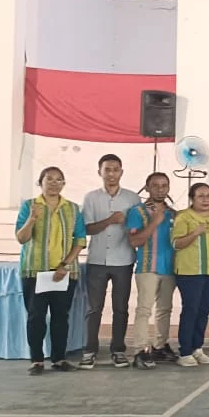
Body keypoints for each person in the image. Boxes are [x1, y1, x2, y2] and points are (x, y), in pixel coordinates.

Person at [15, 167, 87, 374]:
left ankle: (59, 358)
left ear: (63, 184)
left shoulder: (72, 208)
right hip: (35, 271)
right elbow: (21, 238)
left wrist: (65, 265)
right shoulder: (29, 206)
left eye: (59, 180)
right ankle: (37, 360)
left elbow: (80, 239)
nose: (54, 183)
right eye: (49, 179)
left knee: (60, 317)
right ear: (40, 182)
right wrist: (32, 219)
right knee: (36, 317)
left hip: (63, 272)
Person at [80, 154, 142, 370]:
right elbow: (87, 228)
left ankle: (118, 350)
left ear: (121, 172)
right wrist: (110, 220)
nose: (112, 174)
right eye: (107, 169)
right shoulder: (91, 198)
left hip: (123, 259)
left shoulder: (133, 199)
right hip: (97, 260)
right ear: (100, 172)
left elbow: (138, 226)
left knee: (120, 308)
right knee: (94, 308)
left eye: (116, 169)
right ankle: (90, 350)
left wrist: (129, 225)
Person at [126, 172, 178, 369]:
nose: (160, 189)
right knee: (144, 309)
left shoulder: (173, 214)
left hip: (169, 268)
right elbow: (134, 241)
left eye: (164, 185)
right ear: (147, 188)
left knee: (165, 309)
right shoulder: (137, 212)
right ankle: (140, 350)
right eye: (155, 185)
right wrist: (155, 221)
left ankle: (159, 346)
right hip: (147, 267)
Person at [171, 183, 209, 367]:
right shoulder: (184, 217)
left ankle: (197, 348)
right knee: (191, 310)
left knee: (204, 311)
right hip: (190, 271)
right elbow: (176, 244)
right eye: (201, 196)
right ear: (192, 198)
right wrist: (195, 233)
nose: (205, 199)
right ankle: (185, 351)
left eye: (208, 195)